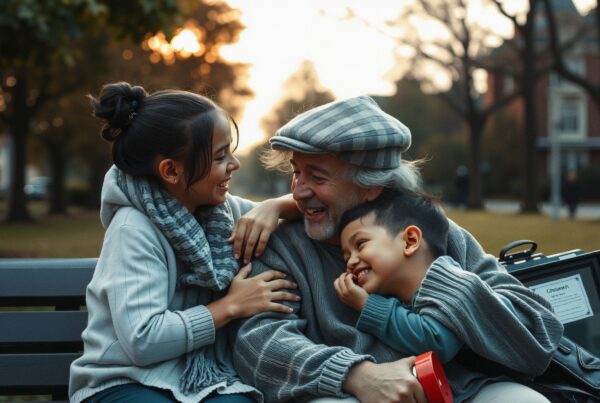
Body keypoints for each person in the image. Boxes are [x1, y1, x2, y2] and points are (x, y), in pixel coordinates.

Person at [232, 96, 564, 403]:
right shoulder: (281, 245)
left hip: (459, 390)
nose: (299, 190)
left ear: (372, 185)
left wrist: (437, 275)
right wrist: (355, 375)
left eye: (316, 176)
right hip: (345, 394)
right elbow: (260, 343)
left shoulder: (431, 233)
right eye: (296, 171)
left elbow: (538, 335)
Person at [69, 82, 302, 403]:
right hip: (121, 380)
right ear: (171, 170)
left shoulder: (224, 212)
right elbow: (143, 341)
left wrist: (275, 206)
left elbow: (309, 204)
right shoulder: (132, 230)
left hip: (203, 376)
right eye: (221, 157)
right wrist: (230, 306)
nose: (234, 165)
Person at [334, 190, 550, 402]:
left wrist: (368, 306)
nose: (351, 261)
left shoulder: (449, 282)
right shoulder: (404, 296)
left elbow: (438, 342)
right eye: (346, 256)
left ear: (410, 241)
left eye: (360, 244)